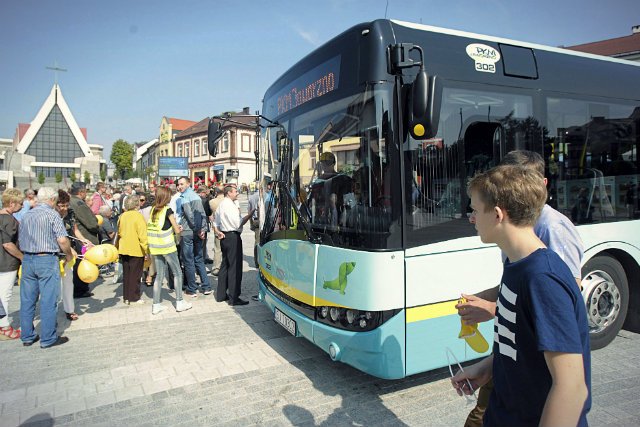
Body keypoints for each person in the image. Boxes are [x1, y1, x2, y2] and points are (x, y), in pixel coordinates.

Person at [452, 165, 590, 427]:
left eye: (474, 210)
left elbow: (572, 388)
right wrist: (487, 369)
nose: (472, 218)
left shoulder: (542, 278)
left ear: (497, 215)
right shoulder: (517, 267)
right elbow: (522, 345)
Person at [19, 187, 73, 348]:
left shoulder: (27, 214)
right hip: (46, 258)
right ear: (52, 200)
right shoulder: (52, 214)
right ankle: (48, 337)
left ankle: (27, 335)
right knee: (49, 299)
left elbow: (20, 237)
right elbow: (62, 240)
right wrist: (69, 254)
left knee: (27, 300)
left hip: (28, 258)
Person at [146, 186, 192, 314]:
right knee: (177, 273)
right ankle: (179, 302)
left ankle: (156, 305)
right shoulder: (167, 210)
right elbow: (176, 229)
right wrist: (179, 229)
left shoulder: (153, 210)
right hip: (167, 246)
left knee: (159, 276)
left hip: (155, 247)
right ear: (166, 197)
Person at [212, 184, 254, 305]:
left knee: (225, 265)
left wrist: (218, 231)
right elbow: (237, 224)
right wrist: (249, 216)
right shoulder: (230, 205)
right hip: (232, 236)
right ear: (229, 193)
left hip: (224, 236)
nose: (237, 193)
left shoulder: (221, 205)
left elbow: (215, 222)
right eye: (235, 191)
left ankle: (220, 295)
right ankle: (234, 297)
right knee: (234, 268)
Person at [176, 176, 211, 297]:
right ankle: (206, 286)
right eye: (179, 184)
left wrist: (196, 229)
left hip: (188, 231)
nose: (180, 186)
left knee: (188, 260)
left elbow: (189, 215)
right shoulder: (197, 196)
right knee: (199, 259)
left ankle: (192, 288)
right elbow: (202, 214)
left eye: (182, 184)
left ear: (188, 184)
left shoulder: (185, 197)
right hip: (197, 231)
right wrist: (202, 229)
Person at [0, 189, 25, 340]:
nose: (22, 206)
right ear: (11, 203)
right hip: (7, 262)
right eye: (20, 203)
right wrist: (22, 257)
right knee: (5, 295)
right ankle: (4, 327)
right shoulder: (9, 220)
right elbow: (8, 244)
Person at [116, 195, 148, 304]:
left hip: (124, 248)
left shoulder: (122, 216)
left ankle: (126, 297)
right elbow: (143, 235)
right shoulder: (138, 216)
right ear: (136, 204)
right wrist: (146, 249)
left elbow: (119, 232)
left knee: (127, 274)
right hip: (136, 249)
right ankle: (134, 297)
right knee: (136, 275)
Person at [55, 190, 80, 321]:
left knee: (68, 283)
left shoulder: (70, 213)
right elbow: (57, 238)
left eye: (66, 205)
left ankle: (69, 310)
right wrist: (69, 249)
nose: (65, 208)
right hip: (56, 254)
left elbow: (75, 229)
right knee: (56, 286)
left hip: (69, 255)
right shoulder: (52, 215)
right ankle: (52, 311)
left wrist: (84, 240)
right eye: (62, 206)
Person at [208, 185, 225, 275]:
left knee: (217, 248)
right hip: (227, 227)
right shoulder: (228, 201)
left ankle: (216, 268)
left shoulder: (212, 202)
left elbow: (209, 214)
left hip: (217, 227)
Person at [198, 186, 214, 264]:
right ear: (202, 193)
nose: (206, 195)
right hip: (204, 223)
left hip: (196, 224)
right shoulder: (204, 201)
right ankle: (202, 259)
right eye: (206, 193)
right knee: (203, 243)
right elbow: (208, 213)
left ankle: (203, 257)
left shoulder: (194, 199)